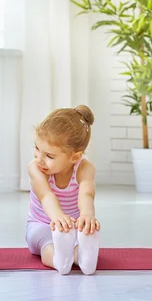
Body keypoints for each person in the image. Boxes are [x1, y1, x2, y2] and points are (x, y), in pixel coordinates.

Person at [25, 105, 100, 275]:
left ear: (75, 156)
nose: (39, 159)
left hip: (70, 228)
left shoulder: (84, 168)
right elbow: (46, 195)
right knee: (47, 246)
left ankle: (84, 260)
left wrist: (87, 216)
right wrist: (58, 217)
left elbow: (86, 194)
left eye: (49, 156)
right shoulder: (35, 168)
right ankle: (59, 261)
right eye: (37, 148)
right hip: (40, 225)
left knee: (74, 242)